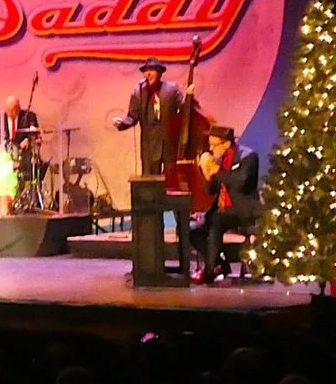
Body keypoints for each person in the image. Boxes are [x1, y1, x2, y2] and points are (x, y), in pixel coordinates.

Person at [192, 125, 261, 284]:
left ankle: (209, 272)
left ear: (226, 144)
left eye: (213, 145)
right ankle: (219, 265)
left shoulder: (248, 157)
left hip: (242, 209)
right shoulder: (219, 158)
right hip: (223, 209)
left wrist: (216, 170)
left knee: (217, 220)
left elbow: (240, 183)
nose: (210, 149)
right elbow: (211, 191)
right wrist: (206, 175)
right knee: (192, 230)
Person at [111, 57, 188, 175]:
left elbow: (184, 107)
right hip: (149, 146)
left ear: (159, 72)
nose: (148, 73)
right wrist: (122, 123)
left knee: (171, 182)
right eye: (146, 71)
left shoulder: (172, 89)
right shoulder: (139, 91)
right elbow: (132, 116)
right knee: (150, 185)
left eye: (152, 70)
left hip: (169, 145)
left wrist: (190, 96)